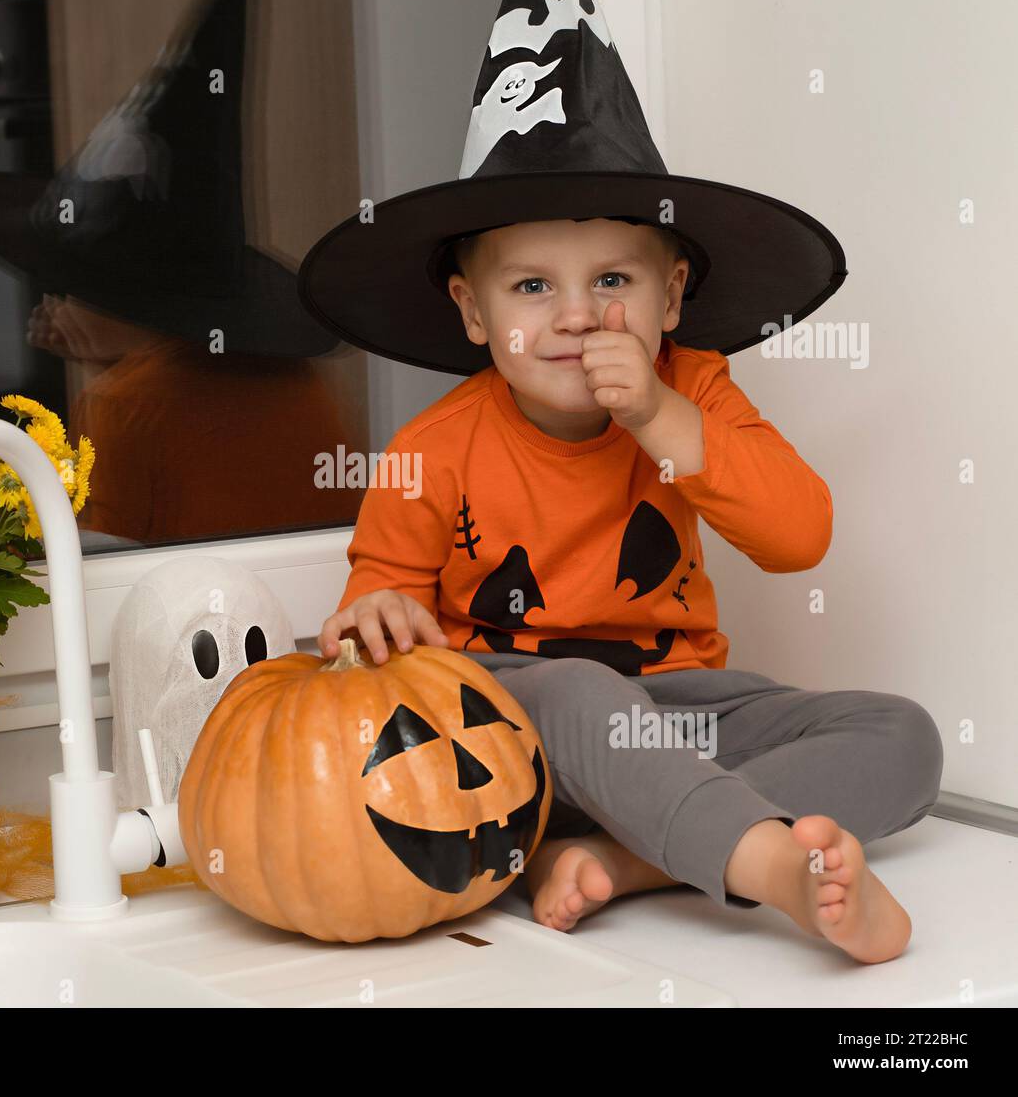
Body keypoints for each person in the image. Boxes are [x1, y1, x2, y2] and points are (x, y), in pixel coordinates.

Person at [317, 213, 942, 964]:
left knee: (902, 734)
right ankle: (774, 867)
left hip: (672, 714)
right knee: (579, 688)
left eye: (612, 280)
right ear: (475, 312)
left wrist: (655, 413)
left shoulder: (693, 390)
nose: (578, 316)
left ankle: (628, 862)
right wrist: (376, 610)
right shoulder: (430, 448)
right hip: (512, 733)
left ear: (670, 299)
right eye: (532, 285)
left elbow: (799, 536)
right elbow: (381, 618)